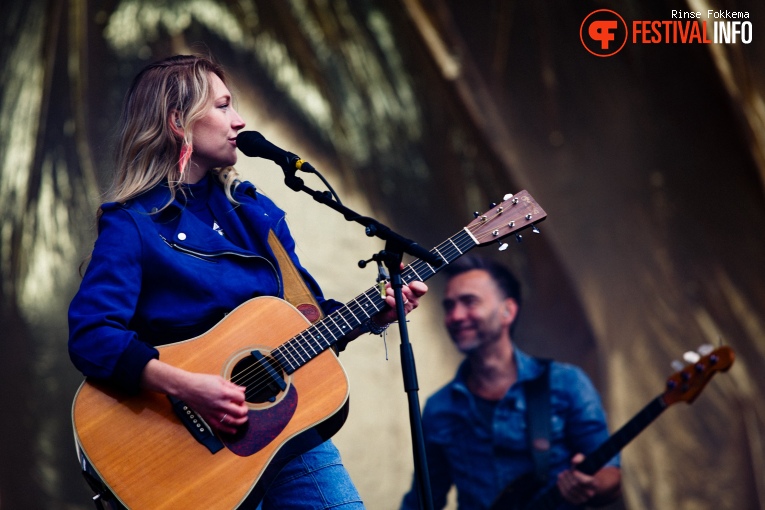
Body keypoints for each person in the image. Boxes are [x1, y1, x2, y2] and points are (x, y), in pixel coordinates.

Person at [68, 54, 427, 509]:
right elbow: (91, 335)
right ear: (178, 122)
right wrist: (187, 386)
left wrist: (377, 312)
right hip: (189, 454)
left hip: (289, 441)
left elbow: (305, 322)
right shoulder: (134, 224)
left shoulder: (256, 213)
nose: (238, 120)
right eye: (222, 106)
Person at [400, 256, 620, 510]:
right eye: (449, 306)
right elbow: (423, 500)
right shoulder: (439, 407)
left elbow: (611, 475)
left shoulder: (567, 383)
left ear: (508, 311)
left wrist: (591, 483)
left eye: (469, 302)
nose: (456, 316)